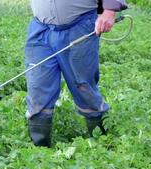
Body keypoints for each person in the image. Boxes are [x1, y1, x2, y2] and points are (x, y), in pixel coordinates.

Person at [25, 0, 128, 147]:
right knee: (38, 86)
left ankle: (102, 145)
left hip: (79, 26)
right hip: (40, 29)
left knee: (84, 86)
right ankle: (39, 150)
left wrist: (109, 10)